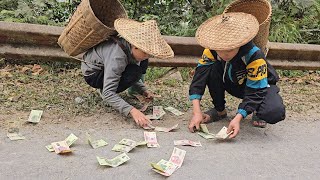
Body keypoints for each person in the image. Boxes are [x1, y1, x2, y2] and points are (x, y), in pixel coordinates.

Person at [188, 12, 285, 138]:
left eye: (230, 49)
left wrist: (238, 117)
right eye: (220, 49)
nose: (224, 54)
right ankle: (219, 111)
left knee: (273, 112)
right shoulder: (211, 50)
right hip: (233, 83)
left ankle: (256, 109)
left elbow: (256, 90)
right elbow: (199, 79)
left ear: (240, 44)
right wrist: (197, 112)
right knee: (209, 69)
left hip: (260, 87)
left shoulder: (254, 55)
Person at [81, 18, 174, 128]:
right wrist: (133, 111)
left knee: (141, 65)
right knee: (131, 74)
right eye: (145, 53)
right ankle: (102, 87)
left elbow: (133, 73)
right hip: (93, 74)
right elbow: (109, 93)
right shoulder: (118, 57)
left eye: (150, 54)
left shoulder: (133, 51)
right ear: (134, 46)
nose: (147, 56)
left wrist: (143, 90)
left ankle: (107, 84)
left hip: (107, 68)